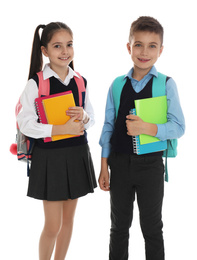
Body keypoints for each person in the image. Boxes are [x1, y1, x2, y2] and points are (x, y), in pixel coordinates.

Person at [99, 16, 185, 260]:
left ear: (160, 50)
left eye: (152, 46)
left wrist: (148, 128)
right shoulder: (117, 85)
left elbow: (179, 126)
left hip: (151, 166)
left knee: (152, 228)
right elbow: (108, 127)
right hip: (119, 163)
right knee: (118, 228)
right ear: (129, 47)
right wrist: (104, 165)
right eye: (138, 44)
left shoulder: (166, 84)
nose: (144, 52)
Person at [17, 22, 97, 260]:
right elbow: (25, 123)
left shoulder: (80, 80)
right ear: (45, 51)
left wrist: (83, 117)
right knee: (52, 225)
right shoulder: (37, 82)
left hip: (76, 153)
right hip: (49, 157)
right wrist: (60, 127)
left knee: (68, 221)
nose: (65, 51)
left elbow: (89, 116)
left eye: (69, 45)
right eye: (57, 46)